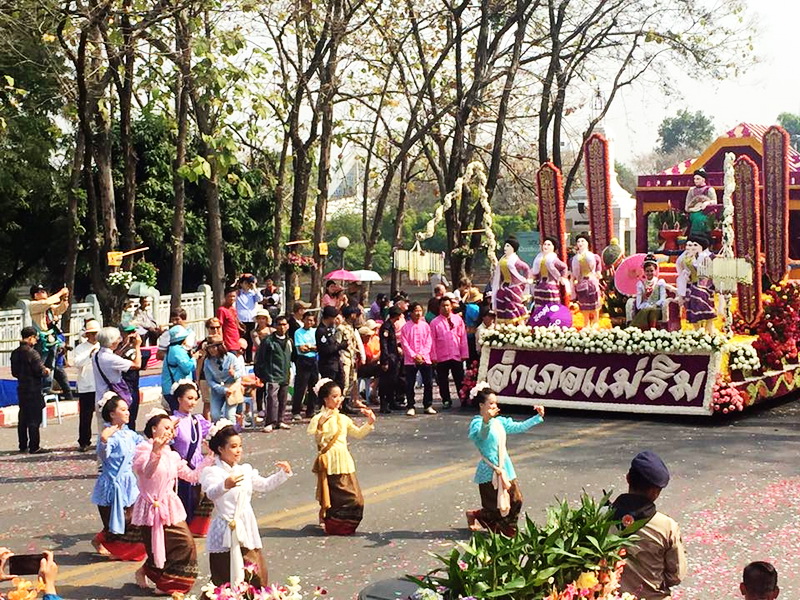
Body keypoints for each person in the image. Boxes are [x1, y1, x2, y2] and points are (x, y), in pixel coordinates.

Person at [200, 421, 292, 586]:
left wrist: (282, 473)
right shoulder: (213, 472)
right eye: (233, 446)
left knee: (254, 571)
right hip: (225, 527)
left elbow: (264, 485)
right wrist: (225, 485)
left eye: (240, 446)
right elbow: (211, 493)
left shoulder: (244, 470)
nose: (238, 450)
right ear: (221, 449)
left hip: (245, 525)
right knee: (225, 576)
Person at [132, 410, 207, 598]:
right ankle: (164, 582)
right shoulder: (143, 450)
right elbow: (147, 473)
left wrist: (210, 458)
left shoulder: (172, 455)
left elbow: (190, 476)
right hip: (150, 506)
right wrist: (155, 452)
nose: (170, 432)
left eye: (172, 429)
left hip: (169, 506)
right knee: (160, 546)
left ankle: (160, 578)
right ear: (153, 429)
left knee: (184, 543)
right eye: (166, 428)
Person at [466, 383, 544, 536]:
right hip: (489, 471)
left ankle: (507, 527)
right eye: (491, 403)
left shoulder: (499, 421)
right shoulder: (477, 423)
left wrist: (538, 417)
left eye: (496, 403)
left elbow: (518, 427)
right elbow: (482, 435)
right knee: (494, 508)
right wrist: (486, 421)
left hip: (505, 468)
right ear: (482, 405)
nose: (495, 406)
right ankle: (477, 516)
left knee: (516, 500)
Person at [611, 450, 686, 600]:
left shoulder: (600, 517)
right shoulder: (666, 527)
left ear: (627, 478)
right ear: (655, 492)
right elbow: (676, 575)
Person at [308, 378, 376, 535]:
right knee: (337, 499)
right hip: (330, 463)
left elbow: (357, 433)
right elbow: (319, 442)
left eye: (340, 396)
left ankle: (342, 526)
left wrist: (369, 422)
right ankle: (334, 525)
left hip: (344, 462)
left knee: (356, 499)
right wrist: (320, 426)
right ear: (325, 398)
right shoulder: (318, 419)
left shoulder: (343, 418)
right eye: (334, 396)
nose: (339, 400)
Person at [91, 393, 147, 561]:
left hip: (128, 482)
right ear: (112, 414)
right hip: (111, 483)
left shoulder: (130, 434)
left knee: (132, 516)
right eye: (123, 410)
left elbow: (145, 445)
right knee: (112, 522)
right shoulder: (110, 435)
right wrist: (104, 440)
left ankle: (126, 549)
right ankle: (100, 541)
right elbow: (103, 455)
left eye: (127, 409)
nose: (127, 412)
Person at [171, 380, 213, 536]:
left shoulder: (197, 420)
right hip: (181, 469)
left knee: (198, 499)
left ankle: (194, 529)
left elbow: (214, 433)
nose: (193, 402)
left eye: (195, 399)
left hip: (198, 466)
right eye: (189, 398)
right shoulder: (172, 422)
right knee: (183, 501)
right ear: (179, 399)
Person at [11, 326, 50, 454]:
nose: (36, 341)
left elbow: (14, 372)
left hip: (22, 387)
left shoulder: (15, 353)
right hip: (33, 388)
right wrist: (46, 371)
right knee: (34, 418)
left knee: (23, 417)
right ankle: (34, 446)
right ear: (30, 337)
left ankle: (22, 444)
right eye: (35, 338)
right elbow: (39, 370)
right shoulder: (32, 353)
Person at [254, 315, 293, 432]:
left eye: (284, 324)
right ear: (275, 326)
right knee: (272, 398)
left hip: (285, 373)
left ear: (288, 326)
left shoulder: (289, 340)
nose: (282, 327)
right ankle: (270, 422)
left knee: (283, 398)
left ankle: (280, 420)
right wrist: (261, 374)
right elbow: (260, 358)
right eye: (279, 324)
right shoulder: (268, 341)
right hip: (272, 374)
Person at [429, 297, 468, 409]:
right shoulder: (434, 323)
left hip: (456, 354)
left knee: (459, 378)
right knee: (442, 380)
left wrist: (464, 353)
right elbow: (432, 340)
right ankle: (446, 400)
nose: (445, 308)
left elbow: (463, 337)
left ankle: (463, 398)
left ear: (451, 306)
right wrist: (433, 356)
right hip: (441, 356)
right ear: (439, 307)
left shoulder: (458, 320)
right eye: (443, 306)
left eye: (447, 305)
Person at [676, 233, 717, 333]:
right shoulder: (686, 256)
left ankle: (709, 331)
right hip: (692, 285)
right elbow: (680, 266)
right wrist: (686, 275)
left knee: (705, 308)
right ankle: (698, 331)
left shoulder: (709, 256)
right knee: (692, 307)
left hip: (706, 286)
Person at [400, 302, 434, 416]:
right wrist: (414, 356)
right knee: (410, 383)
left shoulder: (426, 326)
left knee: (428, 382)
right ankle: (410, 405)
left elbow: (429, 342)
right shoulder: (405, 327)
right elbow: (404, 344)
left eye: (420, 311)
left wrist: (422, 355)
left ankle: (428, 405)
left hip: (425, 358)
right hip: (411, 360)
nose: (418, 313)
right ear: (411, 312)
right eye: (416, 311)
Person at [73, 319, 101, 452]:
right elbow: (77, 363)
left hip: (100, 385)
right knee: (85, 416)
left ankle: (104, 439)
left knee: (104, 415)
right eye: (92, 333)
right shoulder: (80, 348)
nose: (94, 336)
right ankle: (84, 441)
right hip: (86, 386)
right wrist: (90, 355)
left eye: (96, 333)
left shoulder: (103, 346)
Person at [491, 237, 532, 325]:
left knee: (515, 310)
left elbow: (526, 268)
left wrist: (524, 282)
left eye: (508, 246)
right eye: (505, 246)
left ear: (513, 248)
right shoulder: (502, 260)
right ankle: (502, 330)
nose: (505, 248)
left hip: (513, 289)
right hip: (503, 288)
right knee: (502, 309)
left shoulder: (515, 261)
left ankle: (521, 330)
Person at [204, 336, 243, 422]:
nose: (211, 350)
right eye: (209, 348)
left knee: (230, 415)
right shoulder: (207, 361)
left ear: (220, 347)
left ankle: (232, 432)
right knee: (215, 415)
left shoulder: (231, 357)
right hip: (217, 389)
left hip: (232, 388)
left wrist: (234, 374)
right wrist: (222, 389)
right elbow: (209, 380)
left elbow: (240, 372)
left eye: (213, 347)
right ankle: (220, 432)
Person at [531, 236, 570, 315]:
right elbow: (535, 271)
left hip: (551, 286)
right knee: (539, 306)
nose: (546, 246)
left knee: (552, 306)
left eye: (549, 245)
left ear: (553, 247)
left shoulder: (553, 259)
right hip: (540, 286)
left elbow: (564, 267)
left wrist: (562, 278)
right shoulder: (538, 258)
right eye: (545, 244)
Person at [161, 325, 196, 412]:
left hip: (171, 388)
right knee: (181, 415)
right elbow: (187, 368)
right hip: (176, 389)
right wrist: (194, 358)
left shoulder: (172, 349)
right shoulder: (178, 350)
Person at [571, 233, 602, 329]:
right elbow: (574, 272)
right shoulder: (574, 258)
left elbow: (598, 268)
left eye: (582, 241)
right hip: (581, 282)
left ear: (587, 243)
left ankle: (596, 321)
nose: (580, 243)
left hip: (592, 281)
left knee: (594, 301)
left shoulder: (594, 256)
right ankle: (586, 322)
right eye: (578, 241)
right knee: (583, 302)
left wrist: (598, 273)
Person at [292, 311, 319, 420]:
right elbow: (301, 349)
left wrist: (310, 347)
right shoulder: (298, 332)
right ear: (303, 320)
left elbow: (318, 347)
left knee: (314, 386)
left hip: (314, 360)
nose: (310, 322)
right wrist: (312, 347)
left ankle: (310, 410)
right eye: (308, 320)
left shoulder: (315, 331)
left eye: (312, 320)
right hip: (303, 361)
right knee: (301, 387)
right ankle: (296, 410)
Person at [339, 306, 366, 410]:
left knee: (352, 381)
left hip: (352, 358)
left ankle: (346, 403)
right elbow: (338, 345)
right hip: (344, 358)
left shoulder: (352, 328)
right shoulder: (341, 328)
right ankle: (341, 404)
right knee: (344, 382)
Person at [631, 254, 668, 330]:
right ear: (644, 272)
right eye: (647, 271)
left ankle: (638, 329)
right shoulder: (641, 284)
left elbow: (662, 299)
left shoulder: (659, 282)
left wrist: (654, 305)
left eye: (651, 271)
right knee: (648, 311)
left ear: (655, 270)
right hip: (645, 309)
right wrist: (647, 305)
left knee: (653, 311)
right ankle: (646, 332)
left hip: (657, 309)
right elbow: (638, 305)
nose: (649, 273)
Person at [378, 306, 404, 414]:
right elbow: (384, 345)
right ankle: (384, 404)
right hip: (389, 357)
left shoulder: (392, 326)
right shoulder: (386, 327)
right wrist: (385, 361)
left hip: (394, 356)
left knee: (393, 381)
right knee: (385, 382)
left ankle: (392, 401)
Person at [316, 305, 346, 388]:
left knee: (340, 385)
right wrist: (340, 346)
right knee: (329, 388)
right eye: (334, 318)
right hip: (328, 365)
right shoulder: (321, 331)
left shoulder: (329, 329)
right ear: (329, 317)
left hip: (335, 363)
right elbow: (325, 349)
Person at [236, 274, 263, 363]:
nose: (247, 284)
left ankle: (249, 359)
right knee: (241, 339)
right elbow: (230, 291)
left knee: (250, 339)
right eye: (245, 283)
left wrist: (254, 287)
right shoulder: (238, 293)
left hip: (251, 319)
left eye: (248, 283)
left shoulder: (252, 293)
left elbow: (259, 299)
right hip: (241, 319)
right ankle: (241, 358)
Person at [685, 168, 718, 236]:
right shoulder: (691, 190)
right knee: (696, 218)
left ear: (703, 179)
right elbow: (687, 206)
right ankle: (695, 235)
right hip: (694, 212)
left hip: (706, 212)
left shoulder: (710, 190)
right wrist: (693, 208)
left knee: (702, 219)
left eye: (698, 179)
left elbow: (715, 202)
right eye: (694, 179)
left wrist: (707, 203)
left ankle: (704, 236)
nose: (695, 181)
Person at [217, 287, 244, 354]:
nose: (232, 298)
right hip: (228, 342)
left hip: (236, 340)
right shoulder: (222, 310)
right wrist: (221, 341)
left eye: (234, 296)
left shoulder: (233, 309)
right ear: (225, 297)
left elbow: (235, 322)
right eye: (230, 296)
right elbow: (219, 326)